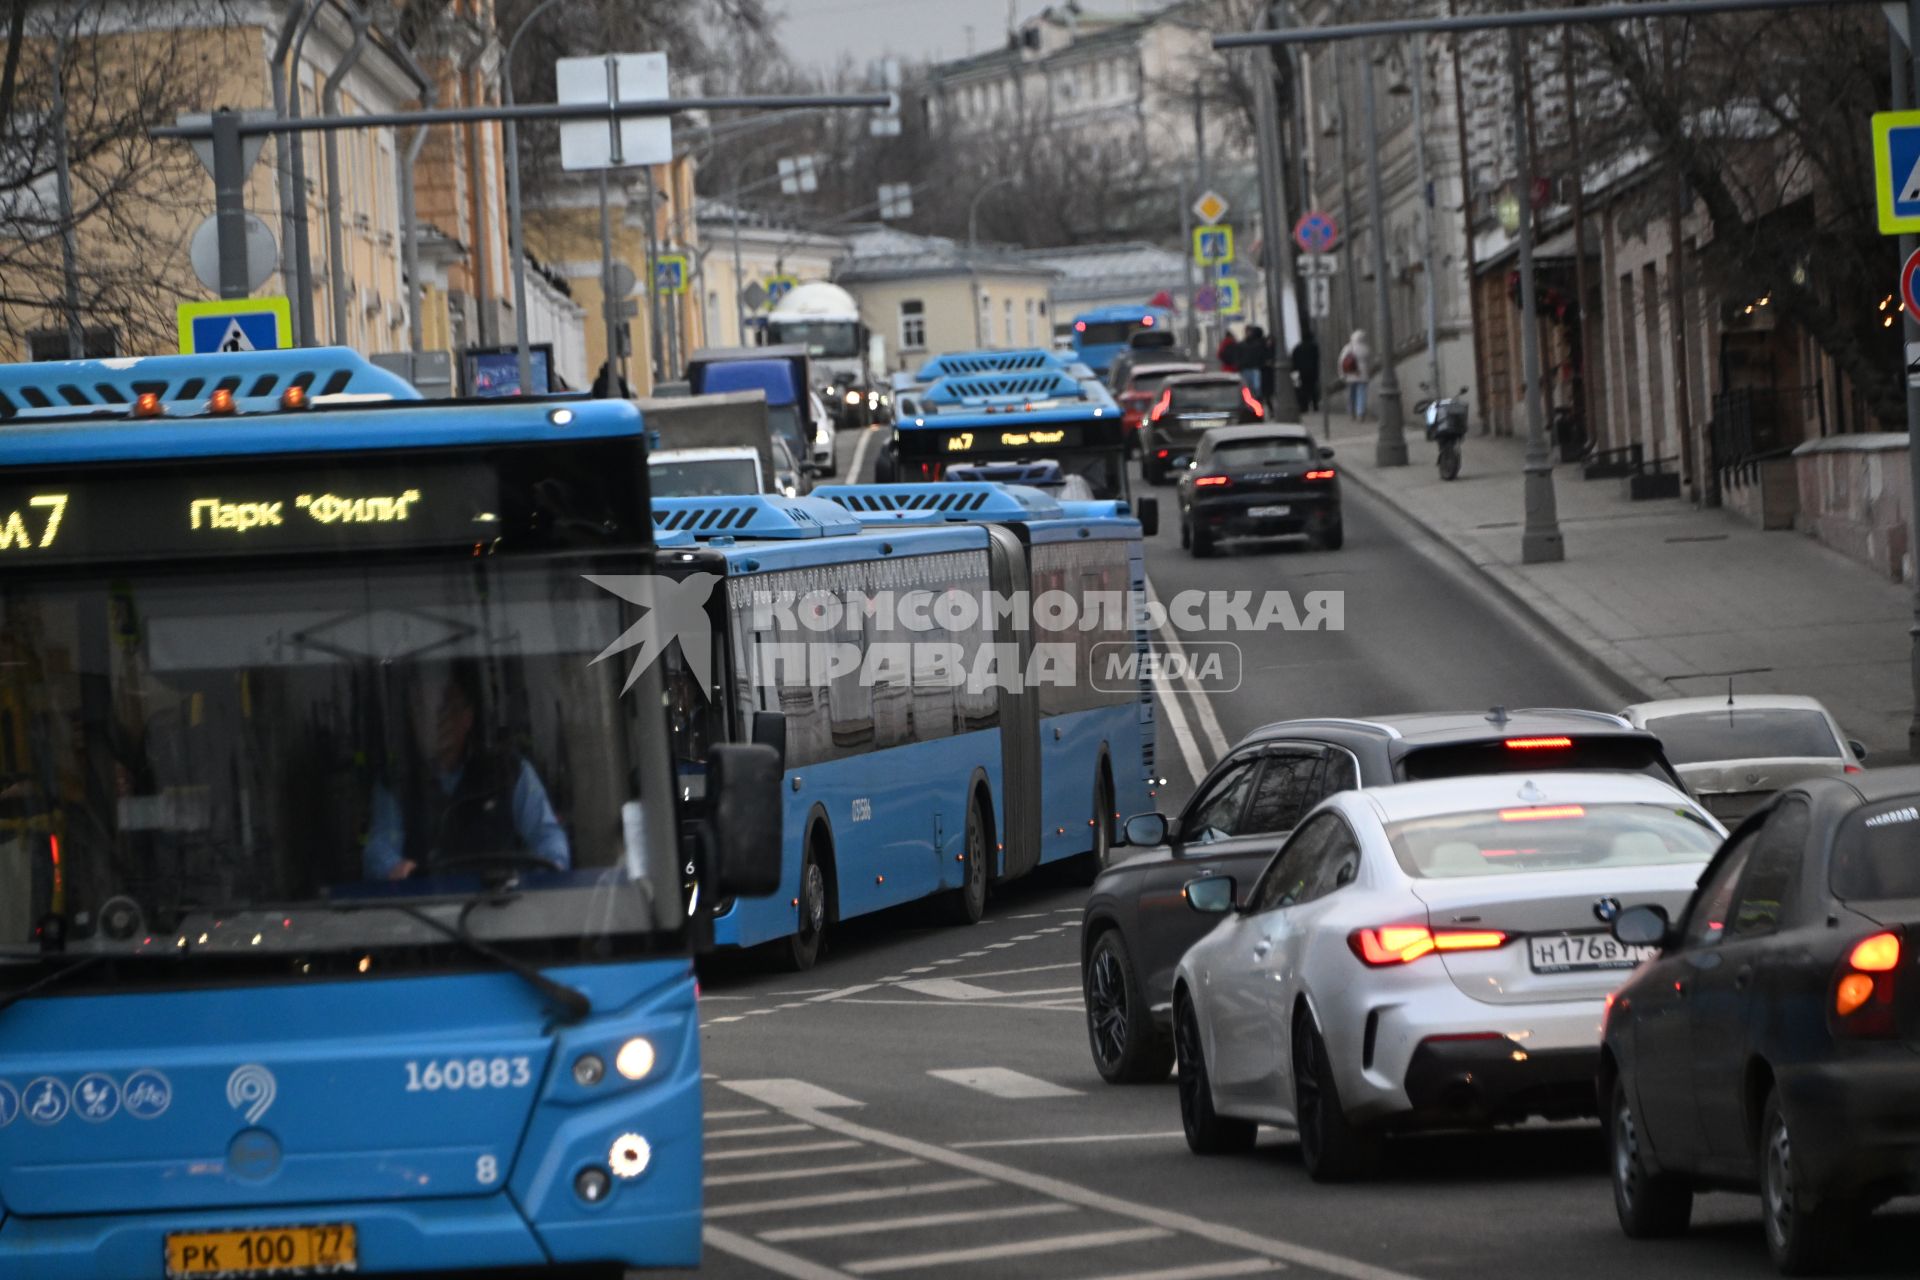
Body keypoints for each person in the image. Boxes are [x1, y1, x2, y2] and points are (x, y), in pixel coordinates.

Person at [363, 662, 570, 880]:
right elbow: (379, 848)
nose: (437, 721)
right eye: (423, 707)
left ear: (467, 717)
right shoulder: (395, 783)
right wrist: (393, 868)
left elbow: (547, 835)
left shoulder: (510, 772)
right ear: (412, 718)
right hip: (421, 909)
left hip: (502, 906)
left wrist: (550, 867)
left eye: (446, 708)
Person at [1339, 330, 1373, 419]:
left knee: (1351, 394)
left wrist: (1342, 374)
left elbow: (1342, 361)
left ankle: (1352, 411)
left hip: (1350, 373)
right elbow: (1370, 362)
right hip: (1362, 373)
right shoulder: (1366, 348)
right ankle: (1360, 412)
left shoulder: (1348, 348)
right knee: (1361, 393)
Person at [1237, 325, 1272, 404]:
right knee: (1248, 388)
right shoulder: (1242, 344)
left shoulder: (1256, 344)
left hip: (1255, 367)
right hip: (1246, 368)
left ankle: (1257, 400)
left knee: (1257, 387)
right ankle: (1251, 402)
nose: (1248, 333)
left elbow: (1260, 355)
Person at [1290, 331, 1321, 414]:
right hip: (1312, 371)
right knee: (1313, 388)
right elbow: (1317, 359)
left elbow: (1293, 360)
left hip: (1301, 372)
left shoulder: (1297, 348)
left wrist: (1294, 370)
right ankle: (1315, 405)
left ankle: (1304, 406)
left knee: (1302, 389)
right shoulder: (1314, 347)